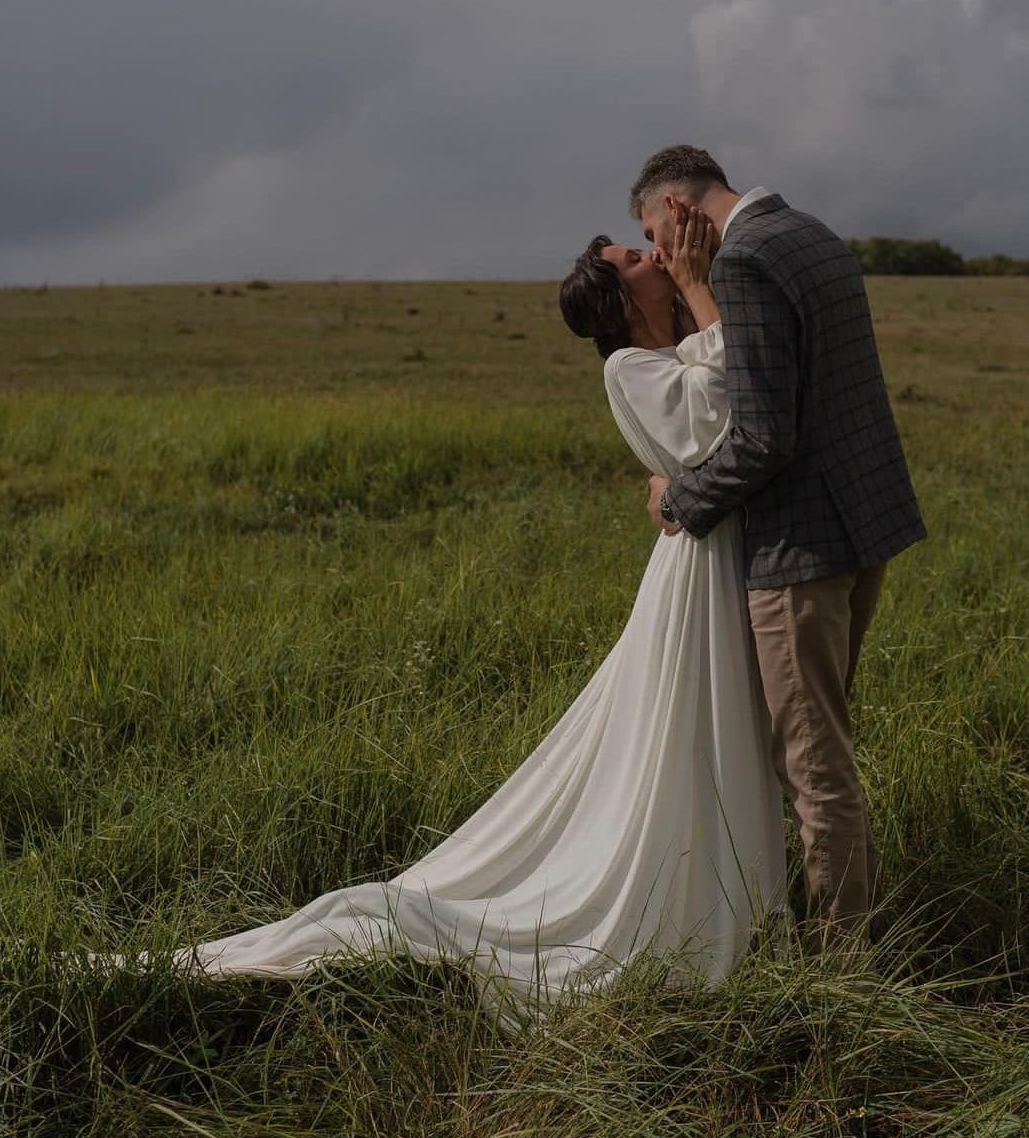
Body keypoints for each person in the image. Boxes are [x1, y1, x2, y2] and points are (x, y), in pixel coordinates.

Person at [121, 207, 785, 1011]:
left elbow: (730, 407)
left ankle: (744, 888)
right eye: (634, 254)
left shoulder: (666, 348)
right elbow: (719, 416)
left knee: (713, 729)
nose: (654, 252)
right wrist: (699, 288)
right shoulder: (625, 369)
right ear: (620, 297)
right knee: (690, 731)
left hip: (711, 550)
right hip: (697, 566)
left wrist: (695, 297)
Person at [633, 146, 926, 944]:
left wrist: (680, 499)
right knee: (823, 741)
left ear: (679, 205)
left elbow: (763, 437)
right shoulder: (812, 232)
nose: (660, 254)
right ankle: (838, 916)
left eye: (656, 232)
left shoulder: (746, 263)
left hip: (802, 548)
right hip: (868, 525)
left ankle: (843, 961)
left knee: (811, 762)